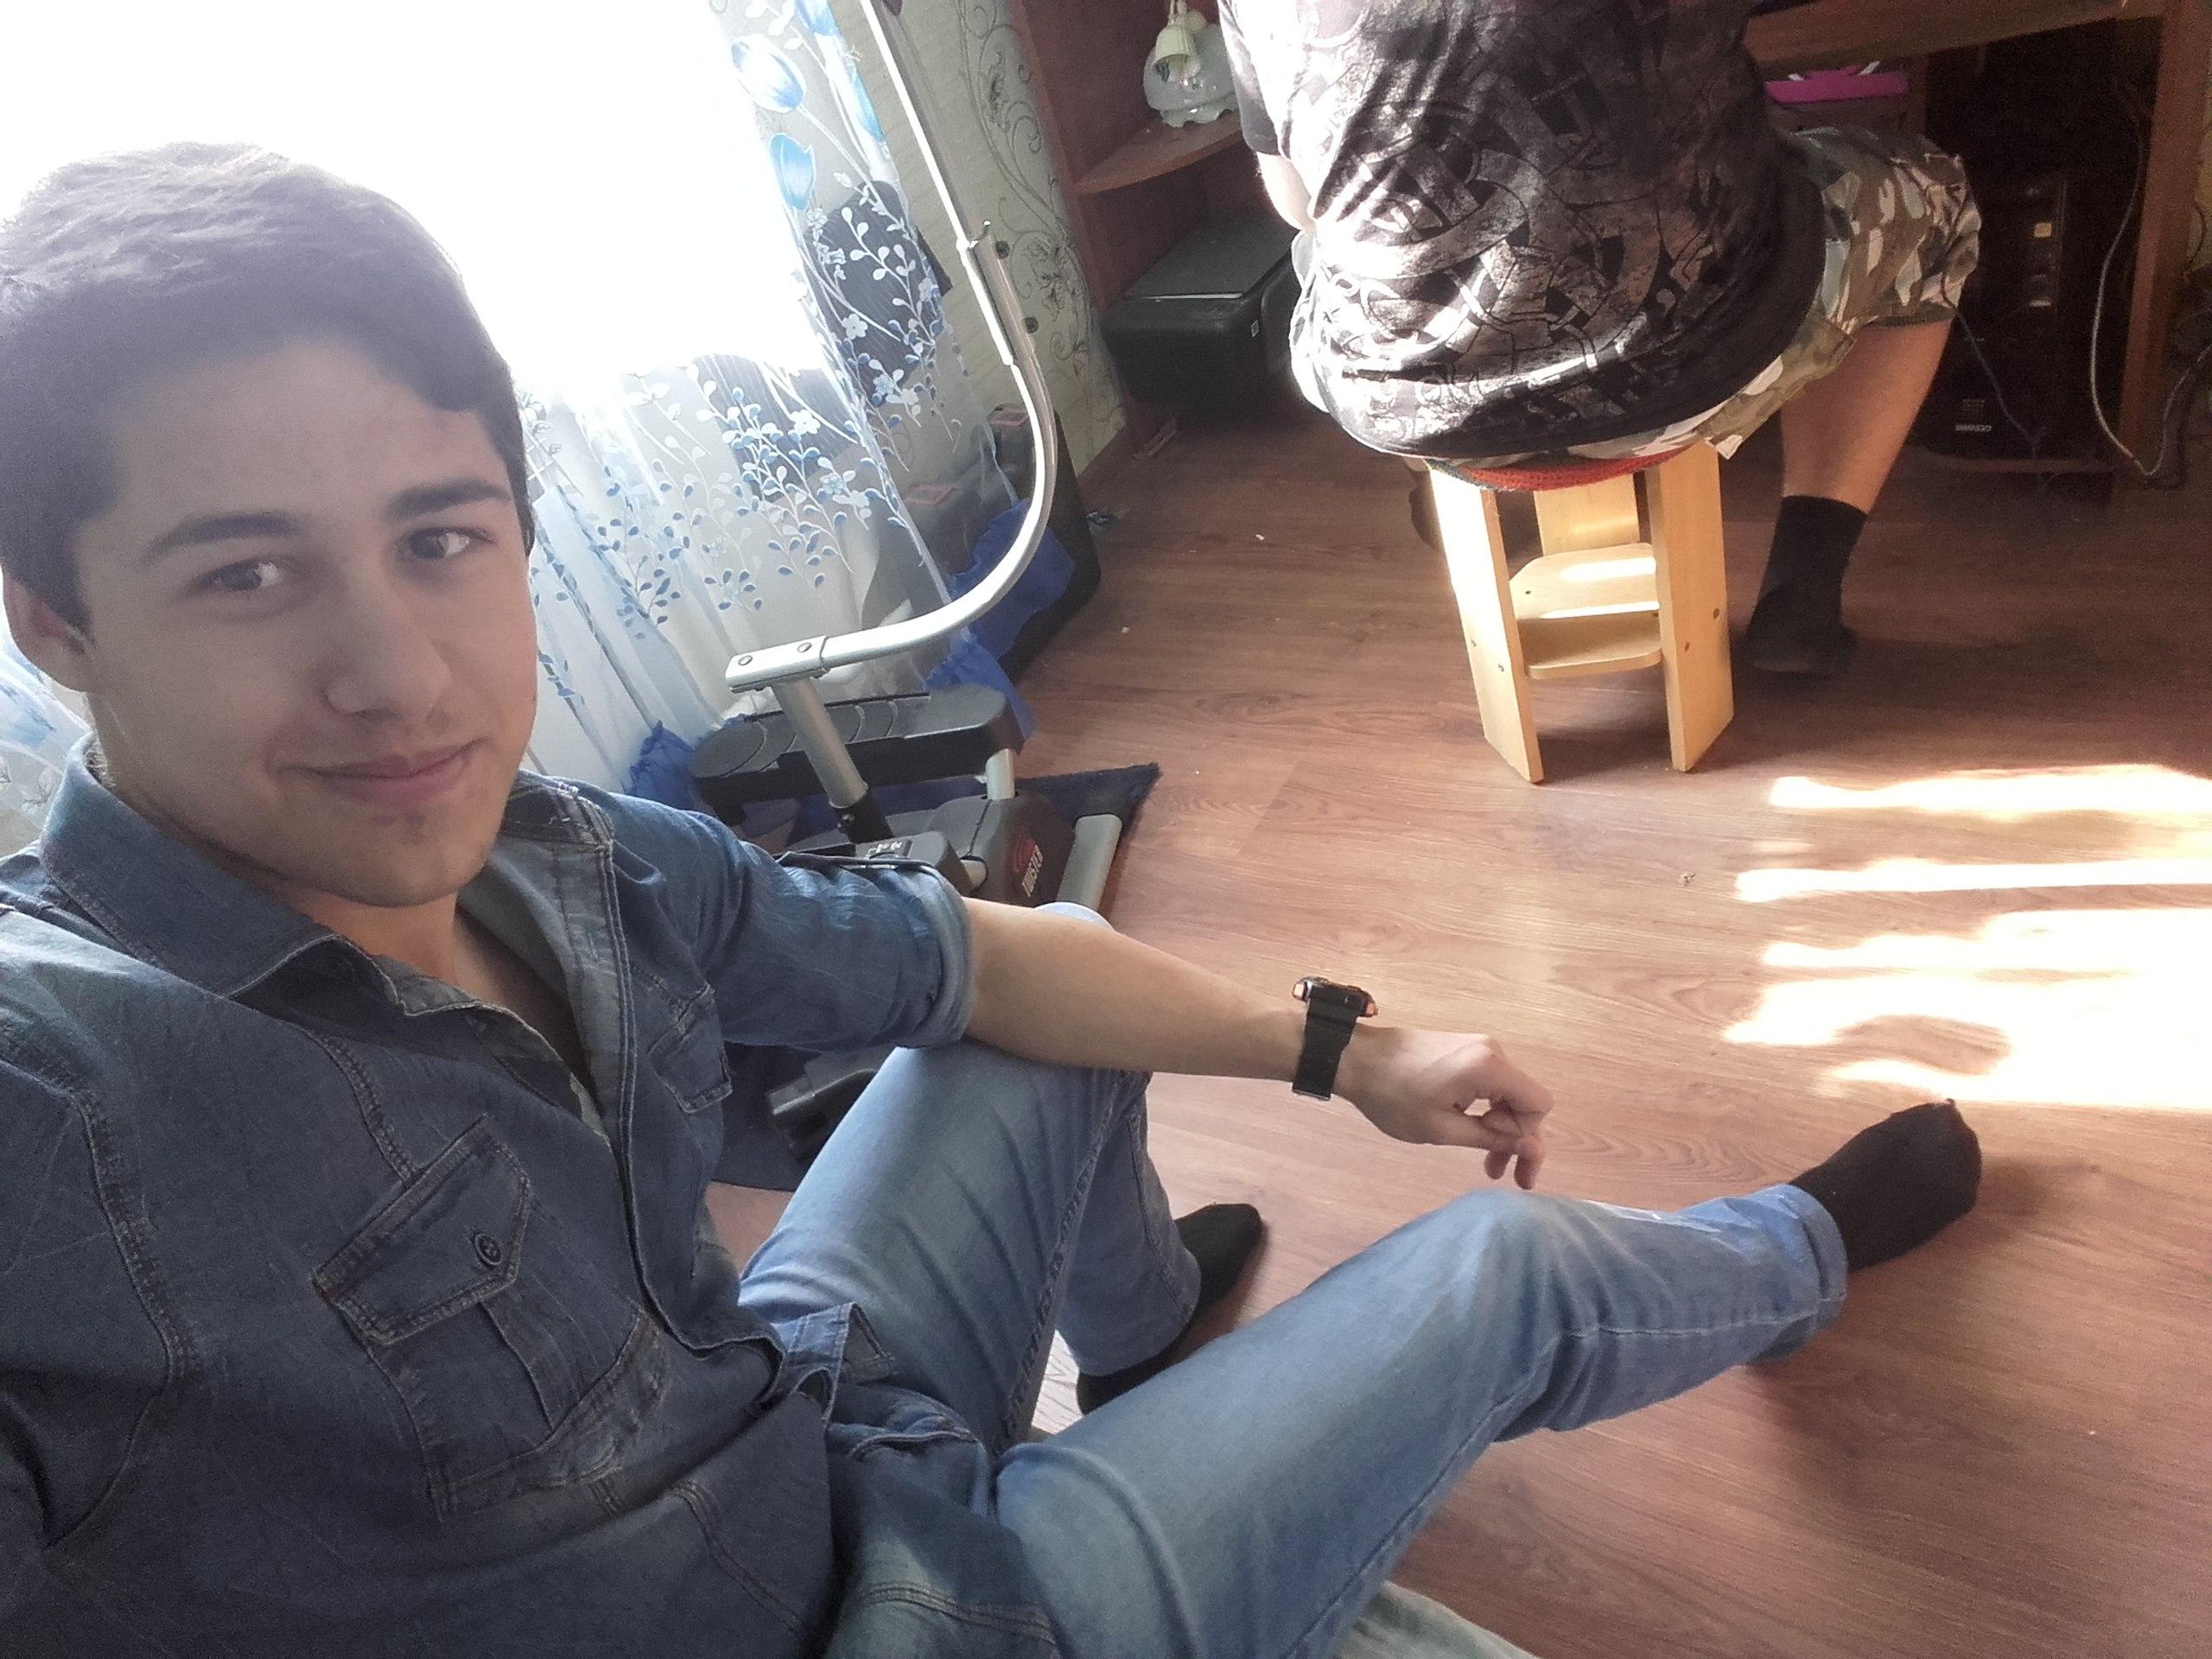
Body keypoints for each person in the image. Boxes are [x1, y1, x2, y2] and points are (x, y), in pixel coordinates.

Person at [0, 144, 1981, 1658]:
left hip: (801, 1436)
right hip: (911, 1623)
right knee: (1501, 1274)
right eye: (245, 576)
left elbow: (956, 958)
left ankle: (1140, 1351)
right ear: (55, 622)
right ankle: (1793, 1259)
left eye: (439, 539)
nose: (396, 676)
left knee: (1041, 1004)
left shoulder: (564, 853)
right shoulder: (58, 1085)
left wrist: (1351, 1050)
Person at [1217, 0, 1982, 677]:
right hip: (1686, 374)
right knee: (1935, 199)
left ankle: (1464, 473)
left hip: (1397, 398)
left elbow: (1297, 204)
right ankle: (1803, 588)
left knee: (1324, 248)